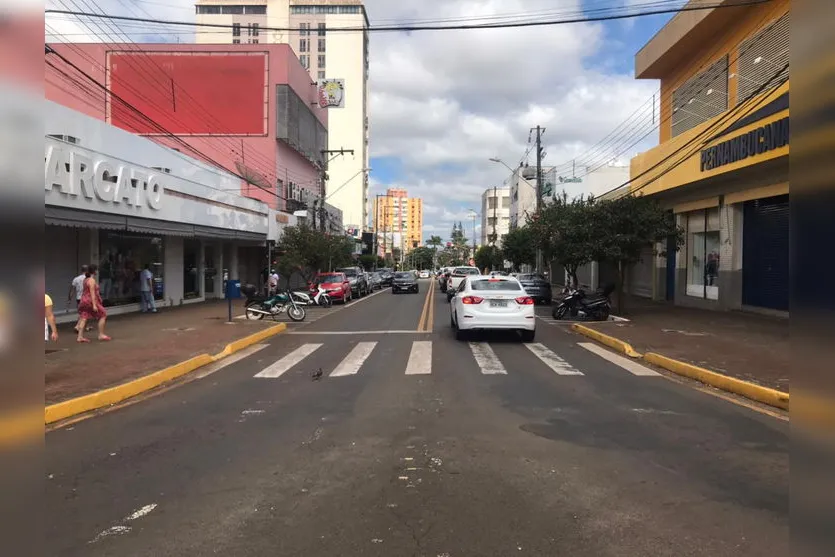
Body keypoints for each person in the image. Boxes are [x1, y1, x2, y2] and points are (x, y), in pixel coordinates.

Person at [76, 264, 110, 343]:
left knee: (84, 318)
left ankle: (80, 337)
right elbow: (92, 293)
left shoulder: (85, 280)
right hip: (90, 301)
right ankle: (101, 334)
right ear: (94, 271)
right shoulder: (91, 280)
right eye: (96, 270)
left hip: (83, 300)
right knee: (103, 314)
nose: (97, 271)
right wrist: (94, 305)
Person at [68, 264, 89, 332]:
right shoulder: (88, 279)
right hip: (86, 298)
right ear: (87, 270)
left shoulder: (76, 279)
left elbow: (72, 290)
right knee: (85, 313)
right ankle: (78, 326)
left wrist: (69, 299)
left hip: (78, 298)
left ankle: (84, 326)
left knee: (82, 313)